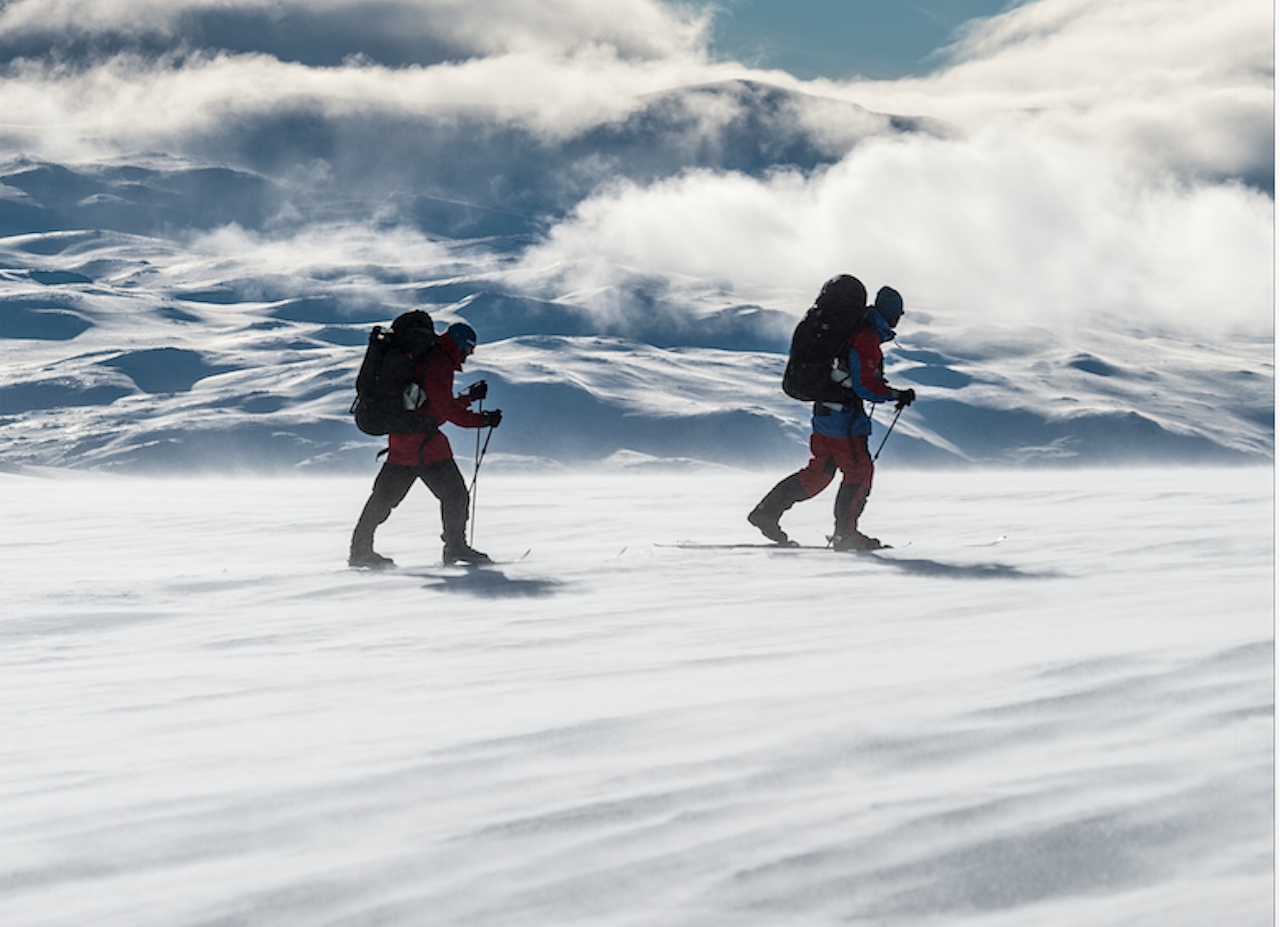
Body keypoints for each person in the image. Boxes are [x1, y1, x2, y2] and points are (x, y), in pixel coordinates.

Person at [748, 285, 916, 550]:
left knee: (819, 472)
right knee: (859, 471)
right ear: (892, 315)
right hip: (843, 417)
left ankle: (766, 512)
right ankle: (846, 535)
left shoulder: (853, 329)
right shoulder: (866, 337)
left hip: (824, 411)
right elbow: (866, 386)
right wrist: (897, 394)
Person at [349, 321, 502, 568]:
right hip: (425, 448)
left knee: (383, 499)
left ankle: (359, 550)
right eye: (470, 349)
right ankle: (455, 547)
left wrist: (468, 399)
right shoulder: (440, 362)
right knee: (455, 495)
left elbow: (429, 408)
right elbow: (444, 409)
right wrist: (482, 420)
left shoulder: (429, 356)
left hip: (403, 441)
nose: (469, 355)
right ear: (462, 344)